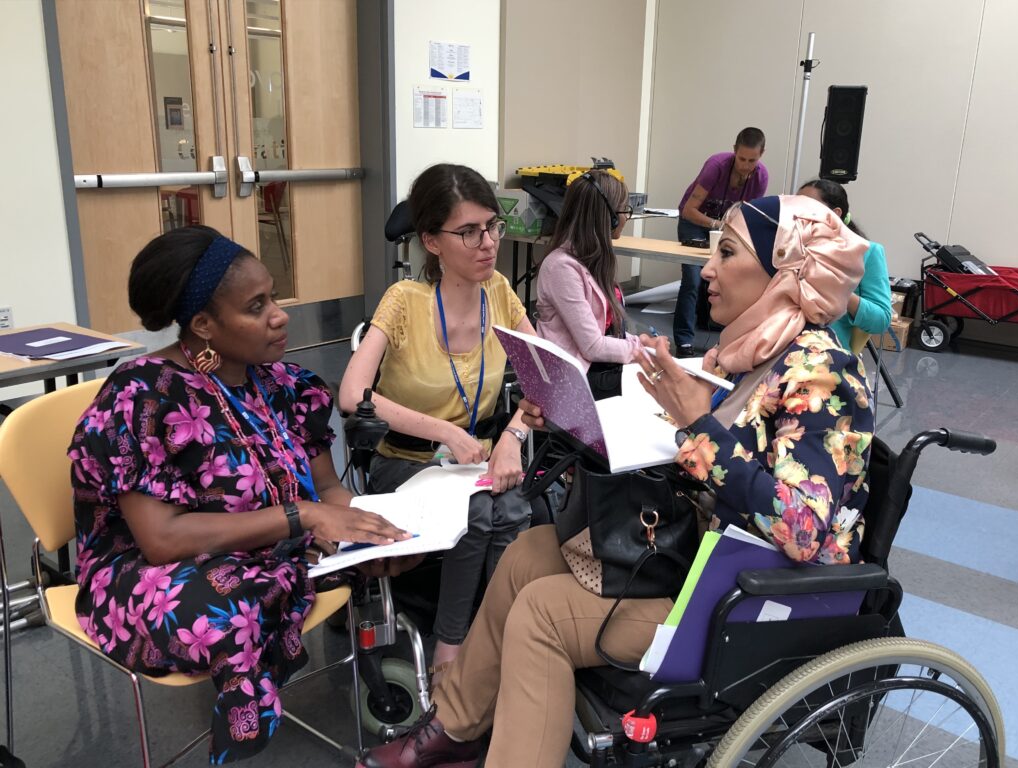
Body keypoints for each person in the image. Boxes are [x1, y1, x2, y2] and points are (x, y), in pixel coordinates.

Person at [355, 195, 874, 768]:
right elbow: (709, 452)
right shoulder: (754, 354)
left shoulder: (822, 373)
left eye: (726, 253)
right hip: (697, 559)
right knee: (526, 554)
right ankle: (456, 729)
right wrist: (597, 424)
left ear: (787, 275)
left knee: (543, 615)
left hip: (751, 599)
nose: (707, 270)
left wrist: (695, 426)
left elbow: (801, 530)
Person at [68, 226, 409, 763]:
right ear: (203, 324)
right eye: (256, 306)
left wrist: (379, 529)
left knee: (375, 551)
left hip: (270, 544)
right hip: (146, 567)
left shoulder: (282, 384)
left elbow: (327, 489)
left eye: (273, 296)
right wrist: (302, 517)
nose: (279, 315)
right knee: (226, 610)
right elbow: (160, 540)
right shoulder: (142, 397)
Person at [339, 163, 536, 674]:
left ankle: (497, 635)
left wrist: (513, 436)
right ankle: (451, 649)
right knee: (478, 515)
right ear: (431, 241)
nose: (488, 243)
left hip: (477, 460)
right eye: (468, 232)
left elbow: (546, 380)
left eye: (492, 226)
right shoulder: (405, 301)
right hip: (406, 461)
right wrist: (446, 431)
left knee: (513, 510)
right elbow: (352, 395)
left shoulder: (500, 293)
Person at [534, 169, 641, 399]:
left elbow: (606, 335)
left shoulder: (593, 260)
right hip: (571, 381)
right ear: (609, 217)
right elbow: (593, 346)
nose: (626, 217)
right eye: (624, 210)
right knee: (656, 386)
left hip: (593, 370)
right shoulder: (561, 268)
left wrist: (642, 344)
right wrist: (641, 349)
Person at [673, 127, 769, 357]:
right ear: (734, 150)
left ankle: (728, 341)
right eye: (742, 159)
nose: (746, 165)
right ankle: (684, 342)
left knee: (732, 278)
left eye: (752, 161)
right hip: (695, 222)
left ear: (761, 155)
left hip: (726, 227)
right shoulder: (716, 166)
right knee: (692, 280)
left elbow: (749, 216)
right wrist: (718, 225)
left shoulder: (761, 176)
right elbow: (689, 210)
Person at [799, 178, 892, 352]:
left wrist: (841, 292)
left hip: (825, 354)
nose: (798, 215)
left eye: (808, 209)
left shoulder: (868, 252)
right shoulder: (787, 246)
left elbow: (881, 320)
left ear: (835, 215)